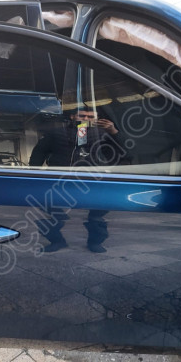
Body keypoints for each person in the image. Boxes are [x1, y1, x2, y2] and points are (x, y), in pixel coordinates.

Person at [29, 108, 128, 253]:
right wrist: (35, 173)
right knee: (50, 213)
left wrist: (113, 131)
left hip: (94, 181)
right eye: (82, 115)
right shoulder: (56, 133)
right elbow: (39, 152)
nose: (86, 119)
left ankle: (95, 242)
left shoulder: (104, 134)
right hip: (60, 180)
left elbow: (124, 151)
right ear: (72, 116)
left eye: (90, 116)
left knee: (97, 215)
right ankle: (57, 241)